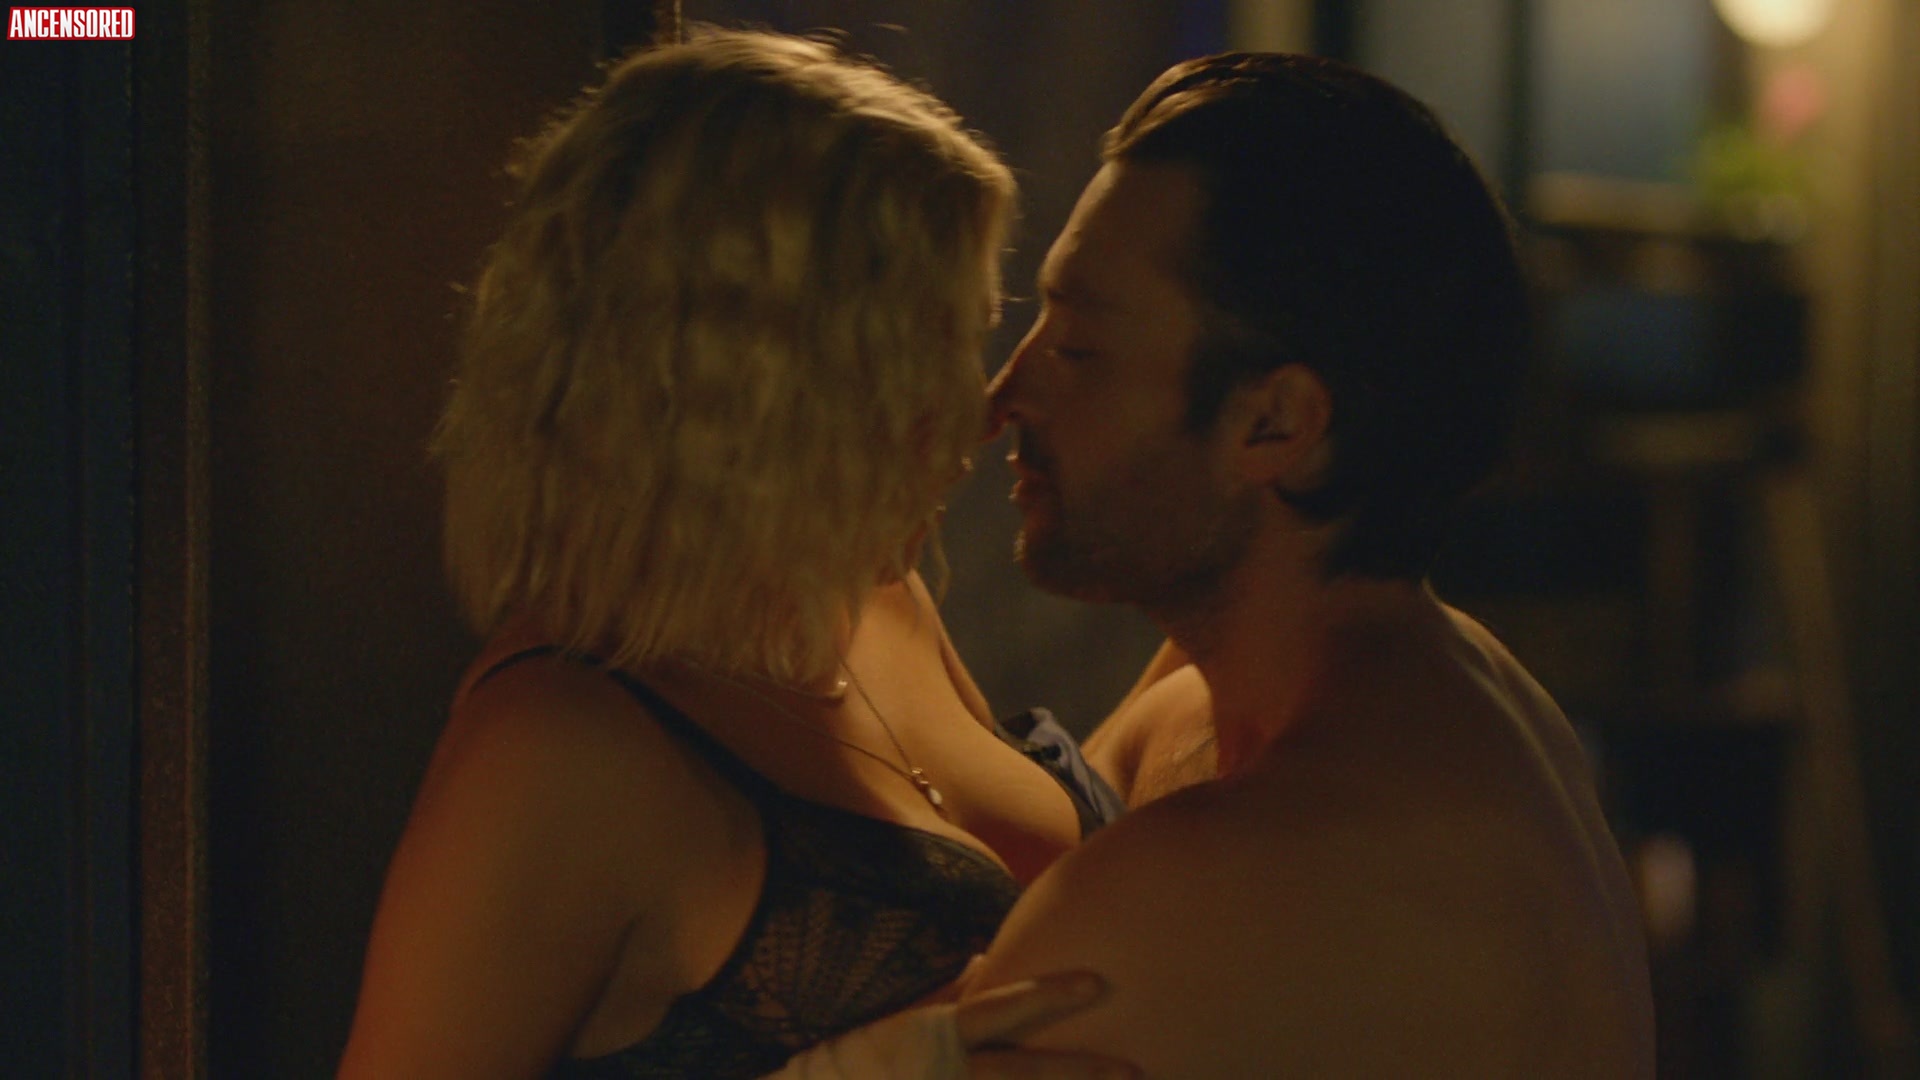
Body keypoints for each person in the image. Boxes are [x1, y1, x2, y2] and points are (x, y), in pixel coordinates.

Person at [338, 30, 1129, 1079]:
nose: (977, 412)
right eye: (937, 350)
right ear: (761, 381)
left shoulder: (874, 603)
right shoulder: (556, 748)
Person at [946, 52, 1657, 1076]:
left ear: (1276, 422)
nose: (1005, 394)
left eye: (1080, 348)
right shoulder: (1419, 690)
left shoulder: (1214, 884)